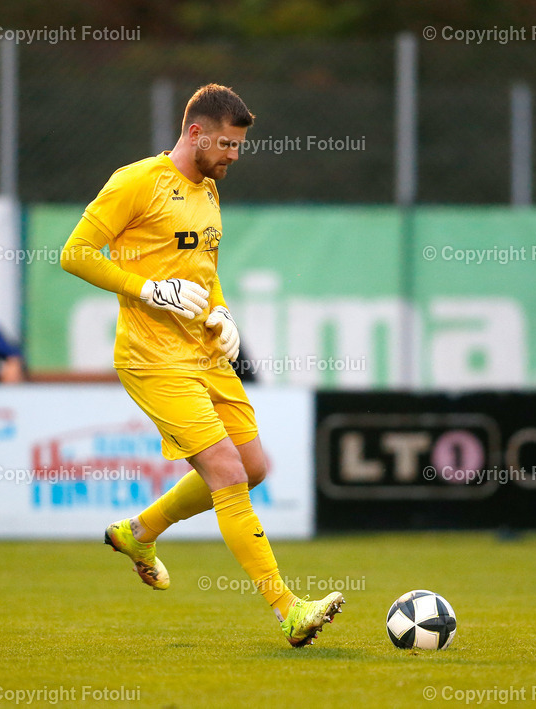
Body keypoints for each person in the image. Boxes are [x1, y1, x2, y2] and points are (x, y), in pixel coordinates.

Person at [60, 83, 343, 648]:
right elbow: (75, 253)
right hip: (152, 358)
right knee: (228, 473)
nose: (234, 156)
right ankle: (289, 609)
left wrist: (223, 315)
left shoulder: (210, 191)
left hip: (205, 353)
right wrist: (145, 288)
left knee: (254, 466)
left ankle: (139, 532)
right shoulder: (136, 182)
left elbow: (205, 275)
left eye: (239, 146)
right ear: (194, 132)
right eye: (227, 144)